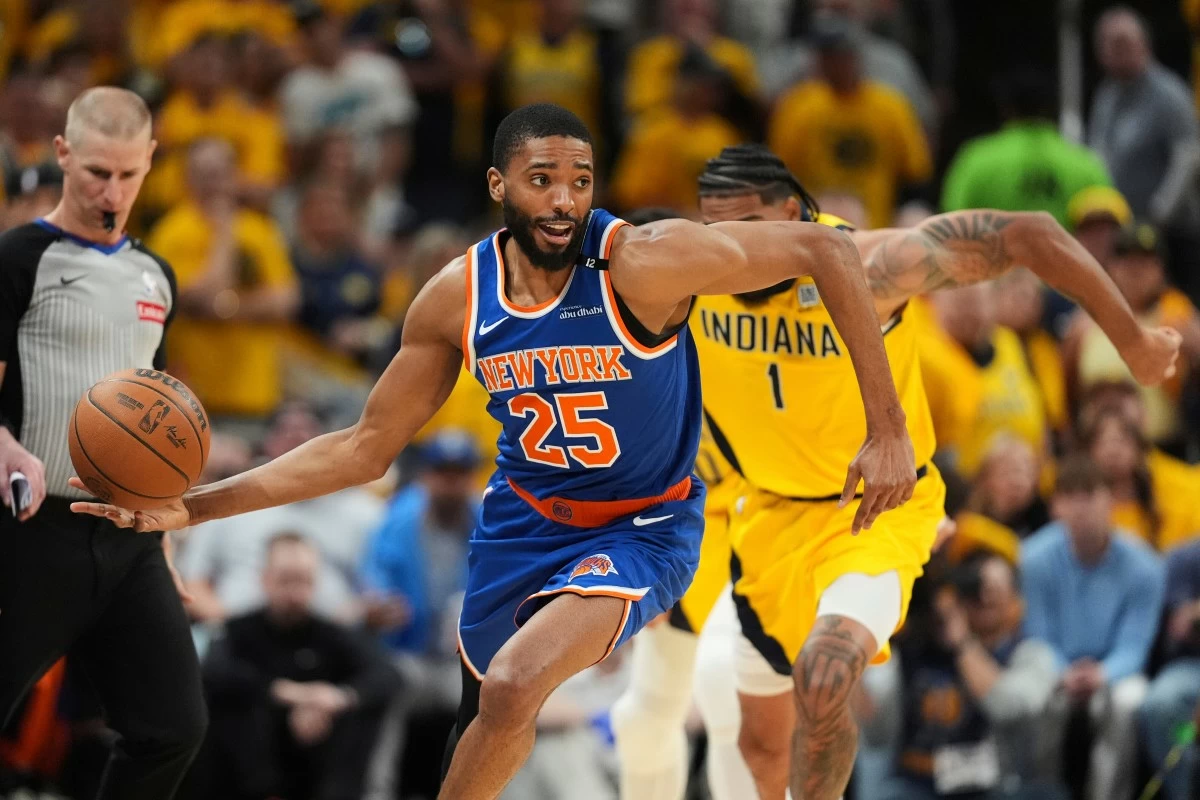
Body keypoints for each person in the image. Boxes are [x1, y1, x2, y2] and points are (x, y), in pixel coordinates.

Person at [69, 103, 921, 800]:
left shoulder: (645, 262)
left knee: (515, 683)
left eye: (580, 181)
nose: (563, 200)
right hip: (520, 525)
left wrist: (888, 430)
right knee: (484, 712)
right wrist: (194, 506)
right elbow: (363, 449)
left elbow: (824, 247)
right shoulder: (456, 297)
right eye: (541, 179)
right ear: (498, 185)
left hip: (642, 526)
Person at [612, 142, 1182, 800]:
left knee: (825, 671)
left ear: (792, 213)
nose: (736, 248)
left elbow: (1029, 233)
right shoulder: (697, 275)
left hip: (873, 512)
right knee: (756, 744)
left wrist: (1133, 339)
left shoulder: (871, 265)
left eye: (749, 226)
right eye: (719, 230)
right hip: (767, 518)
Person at [0, 87, 206, 799]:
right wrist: (4, 444)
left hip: (128, 535)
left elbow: (156, 413)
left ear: (150, 160)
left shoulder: (157, 276)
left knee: (173, 728)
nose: (111, 192)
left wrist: (165, 535)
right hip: (31, 530)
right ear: (62, 154)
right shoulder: (19, 257)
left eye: (127, 174)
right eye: (95, 172)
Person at [198, 532, 401, 800]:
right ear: (265, 579)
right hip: (248, 765)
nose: (295, 593)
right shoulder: (238, 632)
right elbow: (214, 672)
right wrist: (288, 693)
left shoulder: (331, 635)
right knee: (228, 701)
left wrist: (337, 698)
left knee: (366, 706)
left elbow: (387, 674)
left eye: (304, 580)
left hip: (321, 756)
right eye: (286, 580)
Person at [1022, 455, 1165, 800]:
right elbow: (1037, 634)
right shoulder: (1032, 559)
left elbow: (1135, 644)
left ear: (1111, 500)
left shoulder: (1145, 565)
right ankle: (1040, 793)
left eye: (1090, 495)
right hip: (1055, 666)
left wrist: (1103, 673)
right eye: (1070, 496)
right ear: (1055, 507)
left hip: (1115, 671)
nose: (1081, 507)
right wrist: (1062, 672)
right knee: (1034, 695)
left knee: (1128, 701)